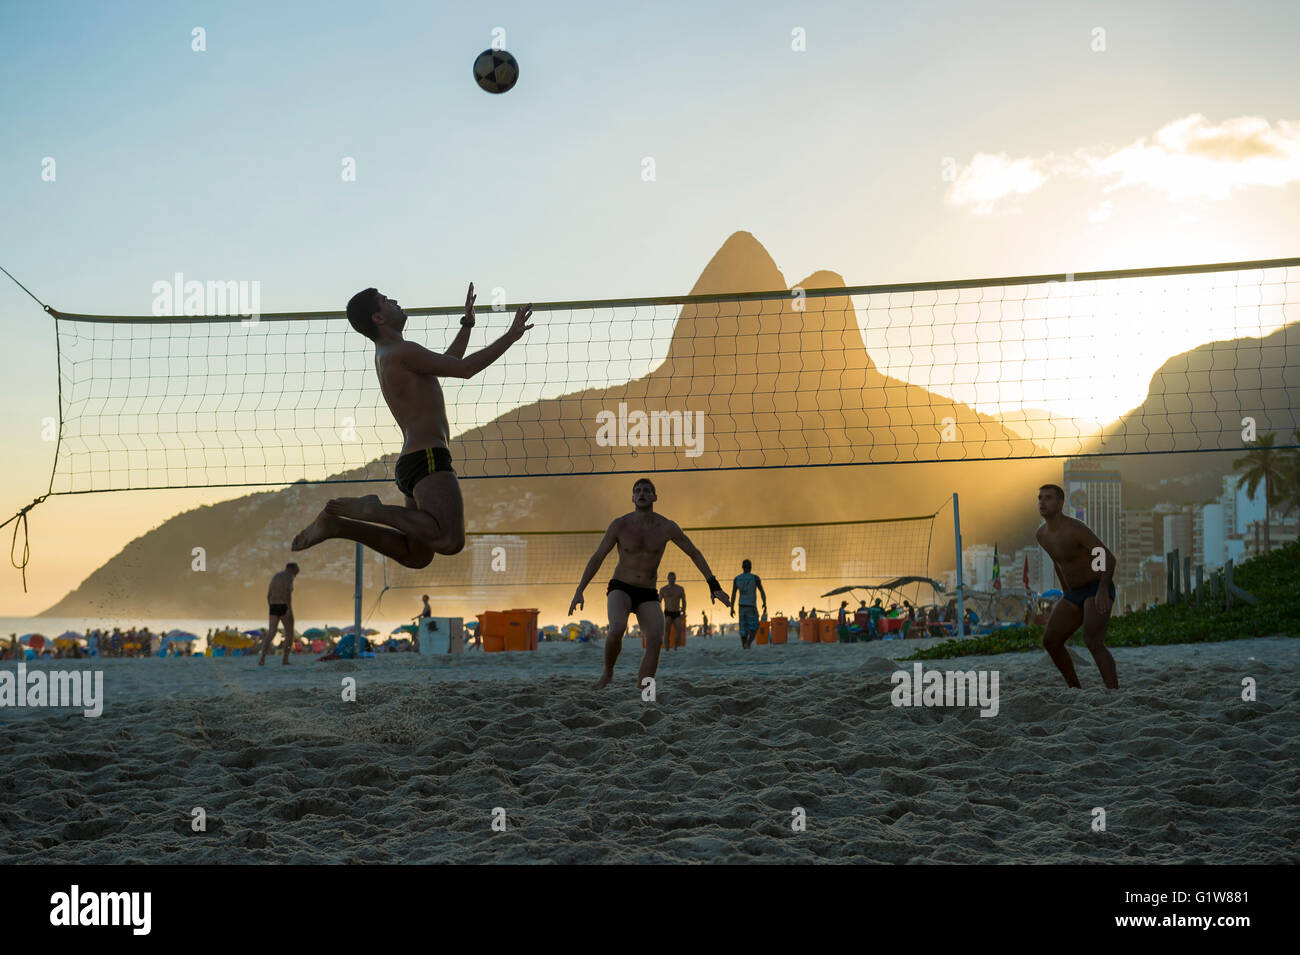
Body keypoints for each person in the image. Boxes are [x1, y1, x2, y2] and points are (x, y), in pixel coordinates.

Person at [292, 284, 533, 572]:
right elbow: (466, 370)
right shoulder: (400, 351)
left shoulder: (391, 353)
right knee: (449, 540)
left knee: (416, 555)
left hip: (413, 463)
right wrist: (511, 336)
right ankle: (373, 510)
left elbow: (451, 363)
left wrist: (467, 323)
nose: (394, 300)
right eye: (385, 301)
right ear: (378, 319)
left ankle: (337, 525)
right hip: (428, 458)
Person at [569, 478, 728, 690]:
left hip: (647, 591)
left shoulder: (667, 527)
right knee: (617, 627)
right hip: (621, 586)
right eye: (637, 491)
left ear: (654, 497)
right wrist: (580, 590)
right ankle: (608, 674)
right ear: (633, 497)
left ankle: (644, 689)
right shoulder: (620, 525)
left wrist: (714, 585)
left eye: (646, 490)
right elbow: (597, 557)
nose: (642, 493)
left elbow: (694, 553)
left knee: (655, 639)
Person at [1035, 483, 1119, 689]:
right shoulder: (1042, 534)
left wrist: (1102, 589)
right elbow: (1058, 563)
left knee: (1092, 640)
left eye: (1048, 498)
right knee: (1051, 641)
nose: (1042, 502)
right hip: (1074, 593)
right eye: (1040, 498)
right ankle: (1075, 688)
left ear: (1060, 503)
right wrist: (1066, 592)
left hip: (1095, 587)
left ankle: (1114, 692)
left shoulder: (1075, 529)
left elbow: (1106, 556)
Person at [259, 562, 299, 665]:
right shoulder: (288, 576)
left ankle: (262, 658)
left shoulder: (275, 576)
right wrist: (288, 608)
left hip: (273, 606)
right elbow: (287, 592)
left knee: (271, 633)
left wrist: (271, 606)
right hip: (284, 606)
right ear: (291, 569)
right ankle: (285, 660)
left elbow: (268, 595)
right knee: (289, 634)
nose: (296, 574)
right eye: (296, 571)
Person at [730, 559, 768, 649]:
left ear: (742, 567)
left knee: (743, 628)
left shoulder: (737, 579)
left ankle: (744, 645)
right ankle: (748, 643)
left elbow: (733, 595)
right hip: (751, 606)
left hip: (741, 606)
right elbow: (762, 592)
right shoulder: (755, 578)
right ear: (751, 567)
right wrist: (764, 603)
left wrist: (731, 607)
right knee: (754, 626)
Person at [659, 571, 687, 652]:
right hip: (667, 612)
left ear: (675, 579)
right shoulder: (663, 589)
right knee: (666, 631)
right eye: (670, 578)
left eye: (673, 578)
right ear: (667, 579)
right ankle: (667, 648)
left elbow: (684, 600)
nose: (672, 580)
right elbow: (659, 601)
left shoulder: (680, 589)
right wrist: (658, 612)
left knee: (679, 630)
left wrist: (684, 609)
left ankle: (675, 647)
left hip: (676, 612)